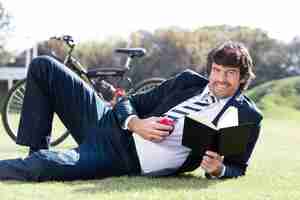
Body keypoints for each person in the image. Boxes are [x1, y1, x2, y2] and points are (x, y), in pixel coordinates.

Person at [0, 41, 262, 181]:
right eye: (217, 70)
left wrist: (218, 169)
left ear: (242, 78)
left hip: (123, 157)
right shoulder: (188, 82)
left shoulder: (246, 116)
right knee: (44, 65)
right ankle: (36, 148)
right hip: (108, 122)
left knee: (45, 166)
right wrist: (136, 122)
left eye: (230, 73)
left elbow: (236, 167)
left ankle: (35, 161)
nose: (220, 79)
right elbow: (131, 101)